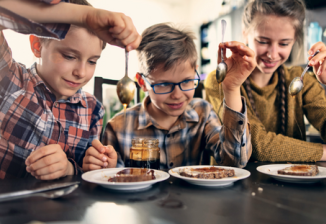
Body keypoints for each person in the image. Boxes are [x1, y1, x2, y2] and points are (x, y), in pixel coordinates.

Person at [0, 0, 141, 179]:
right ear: (37, 46)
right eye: (69, 56)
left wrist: (88, 167)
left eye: (92, 61)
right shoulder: (9, 79)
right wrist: (84, 16)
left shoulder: (92, 109)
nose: (81, 72)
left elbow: (86, 176)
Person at [205, 0, 326, 162]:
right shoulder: (221, 80)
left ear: (294, 41)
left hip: (294, 184)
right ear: (245, 34)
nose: (272, 54)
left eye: (284, 44)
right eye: (263, 42)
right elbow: (256, 145)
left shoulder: (301, 80)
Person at [82, 23, 255, 171]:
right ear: (142, 82)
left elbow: (235, 161)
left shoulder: (203, 113)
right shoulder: (118, 128)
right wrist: (106, 167)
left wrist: (232, 89)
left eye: (187, 81)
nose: (177, 95)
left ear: (195, 69)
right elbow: (112, 180)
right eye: (164, 84)